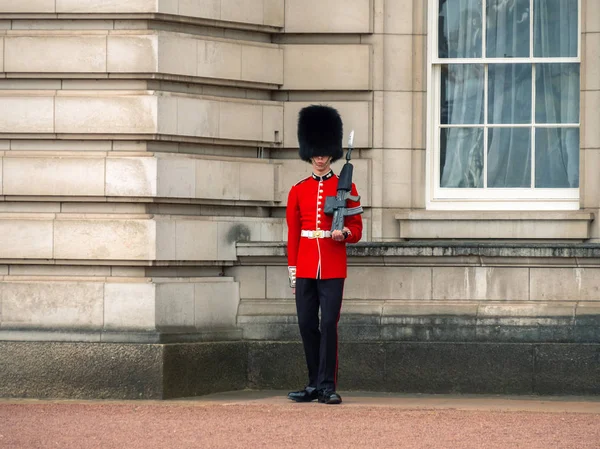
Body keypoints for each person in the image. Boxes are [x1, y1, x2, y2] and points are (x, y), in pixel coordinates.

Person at [286, 105, 363, 405]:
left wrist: (343, 234)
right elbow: (293, 234)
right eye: (315, 152)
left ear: (331, 152)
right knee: (307, 324)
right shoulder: (298, 190)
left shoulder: (346, 187)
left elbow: (356, 228)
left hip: (332, 266)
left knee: (328, 323)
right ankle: (313, 384)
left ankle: (327, 386)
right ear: (310, 153)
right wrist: (293, 271)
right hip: (305, 265)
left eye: (324, 152)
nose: (320, 157)